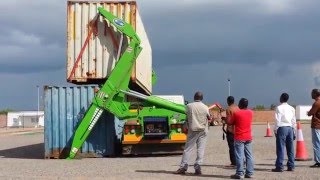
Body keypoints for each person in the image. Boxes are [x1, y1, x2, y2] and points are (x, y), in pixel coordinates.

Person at [175, 91, 212, 175]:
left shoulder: (189, 106)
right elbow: (209, 118)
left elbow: (186, 115)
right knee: (200, 149)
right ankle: (198, 166)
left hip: (193, 129)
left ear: (194, 97)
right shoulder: (205, 107)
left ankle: (183, 167)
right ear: (202, 98)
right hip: (203, 130)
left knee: (188, 149)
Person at [227, 98, 254, 179]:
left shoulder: (237, 113)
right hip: (248, 136)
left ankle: (239, 173)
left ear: (241, 104)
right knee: (249, 155)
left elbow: (230, 122)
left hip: (239, 137)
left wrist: (225, 118)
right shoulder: (251, 112)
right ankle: (249, 173)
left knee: (239, 156)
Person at [272, 93, 296, 172]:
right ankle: (291, 165)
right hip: (290, 128)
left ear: (281, 98)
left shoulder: (278, 108)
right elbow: (293, 120)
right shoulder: (292, 108)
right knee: (290, 148)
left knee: (281, 147)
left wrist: (275, 130)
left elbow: (277, 120)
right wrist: (294, 131)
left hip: (282, 127)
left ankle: (279, 166)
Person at [223, 96, 239, 166]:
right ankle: (240, 160)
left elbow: (229, 121)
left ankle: (234, 162)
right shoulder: (238, 108)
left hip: (231, 130)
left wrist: (224, 119)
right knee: (238, 147)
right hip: (238, 130)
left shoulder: (228, 109)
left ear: (228, 101)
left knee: (231, 147)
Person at [307, 89, 320, 168]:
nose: (311, 94)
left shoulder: (316, 103)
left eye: (312, 93)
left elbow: (310, 113)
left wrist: (308, 112)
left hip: (316, 125)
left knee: (317, 144)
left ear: (315, 94)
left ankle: (318, 161)